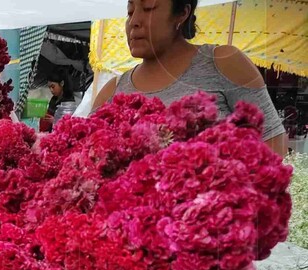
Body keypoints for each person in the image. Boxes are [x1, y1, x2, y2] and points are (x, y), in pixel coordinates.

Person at [91, 0, 287, 156]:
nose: (134, 21)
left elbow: (273, 142)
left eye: (148, 8)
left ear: (183, 13)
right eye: (130, 11)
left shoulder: (223, 63)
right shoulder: (112, 91)